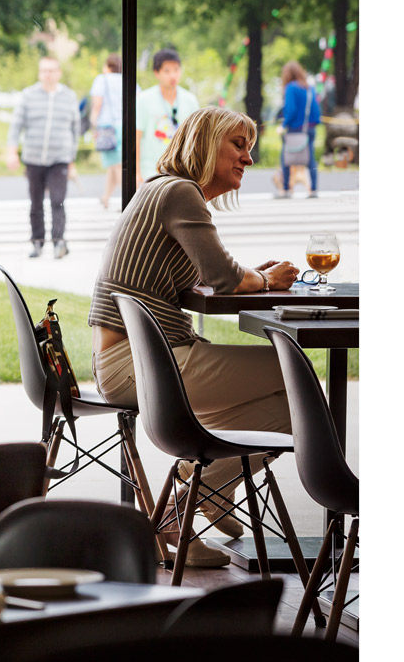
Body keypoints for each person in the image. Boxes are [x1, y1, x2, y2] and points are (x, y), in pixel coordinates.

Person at [86, 104, 300, 568]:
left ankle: (208, 489)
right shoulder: (180, 193)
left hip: (136, 359)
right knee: (294, 373)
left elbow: (203, 279)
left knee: (293, 409)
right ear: (205, 144)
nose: (248, 158)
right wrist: (260, 281)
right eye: (238, 145)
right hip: (139, 364)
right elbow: (222, 277)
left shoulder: (162, 191)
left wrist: (252, 276)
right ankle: (188, 502)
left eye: (250, 148)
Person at [6, 56, 82, 259]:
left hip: (59, 158)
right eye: (44, 71)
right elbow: (16, 125)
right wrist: (12, 151)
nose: (47, 75)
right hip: (33, 158)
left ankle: (59, 242)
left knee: (58, 200)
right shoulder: (28, 95)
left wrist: (71, 156)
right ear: (40, 73)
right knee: (36, 202)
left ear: (58, 73)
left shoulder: (69, 97)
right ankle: (37, 242)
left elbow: (75, 129)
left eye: (51, 70)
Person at [136, 48, 201, 187]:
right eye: (167, 71)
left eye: (176, 69)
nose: (173, 75)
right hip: (151, 168)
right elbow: (136, 136)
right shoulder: (144, 99)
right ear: (156, 73)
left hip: (181, 168)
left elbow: (196, 137)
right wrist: (137, 172)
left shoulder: (190, 100)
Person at [274, 60, 322, 198]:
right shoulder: (310, 88)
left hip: (295, 129)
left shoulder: (290, 88)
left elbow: (291, 109)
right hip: (309, 129)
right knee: (310, 159)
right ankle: (313, 189)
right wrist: (313, 123)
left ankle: (286, 190)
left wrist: (283, 125)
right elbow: (316, 110)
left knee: (286, 158)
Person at [88, 54, 124, 209]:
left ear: (108, 66)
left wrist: (93, 123)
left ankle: (130, 201)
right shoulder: (128, 79)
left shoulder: (102, 79)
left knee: (117, 165)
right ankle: (106, 197)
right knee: (114, 164)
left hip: (108, 127)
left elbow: (97, 104)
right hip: (127, 126)